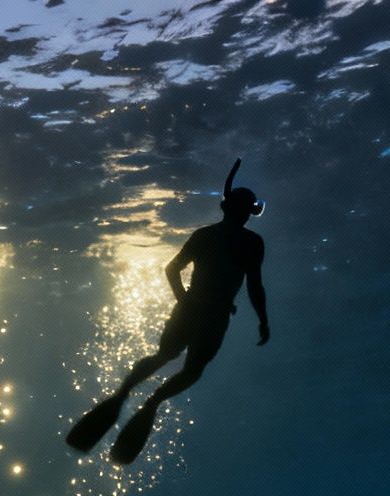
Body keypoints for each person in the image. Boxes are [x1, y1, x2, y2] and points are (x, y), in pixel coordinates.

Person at [68, 159, 270, 466]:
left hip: (191, 310)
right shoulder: (252, 243)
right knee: (192, 369)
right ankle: (152, 402)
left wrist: (184, 300)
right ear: (245, 212)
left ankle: (125, 393)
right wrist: (262, 320)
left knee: (164, 355)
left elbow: (172, 268)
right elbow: (254, 286)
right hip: (214, 317)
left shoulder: (205, 235)